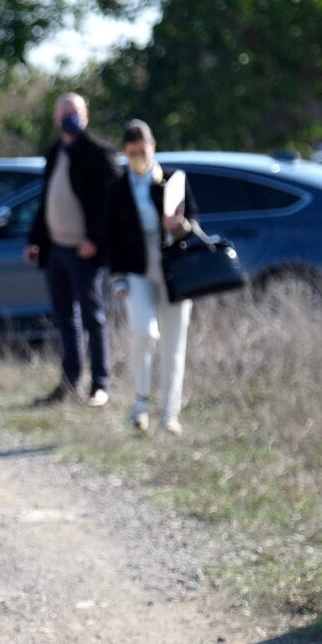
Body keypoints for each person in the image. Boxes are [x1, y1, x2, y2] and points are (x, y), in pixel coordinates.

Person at [104, 120, 199, 435]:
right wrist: (117, 277)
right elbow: (112, 237)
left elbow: (193, 223)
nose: (138, 158)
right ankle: (140, 403)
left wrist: (177, 224)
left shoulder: (172, 180)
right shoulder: (118, 188)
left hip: (173, 268)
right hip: (137, 269)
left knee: (174, 344)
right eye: (132, 153)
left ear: (152, 148)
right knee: (144, 332)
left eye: (142, 151)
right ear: (124, 153)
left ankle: (169, 415)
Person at [26, 92, 120, 406]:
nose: (69, 116)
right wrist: (35, 240)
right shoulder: (55, 152)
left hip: (85, 251)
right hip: (56, 250)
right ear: (55, 118)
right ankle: (69, 382)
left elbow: (111, 204)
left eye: (75, 111)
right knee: (66, 318)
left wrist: (95, 239)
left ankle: (100, 385)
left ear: (86, 116)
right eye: (64, 111)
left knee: (93, 317)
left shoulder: (98, 153)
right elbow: (45, 201)